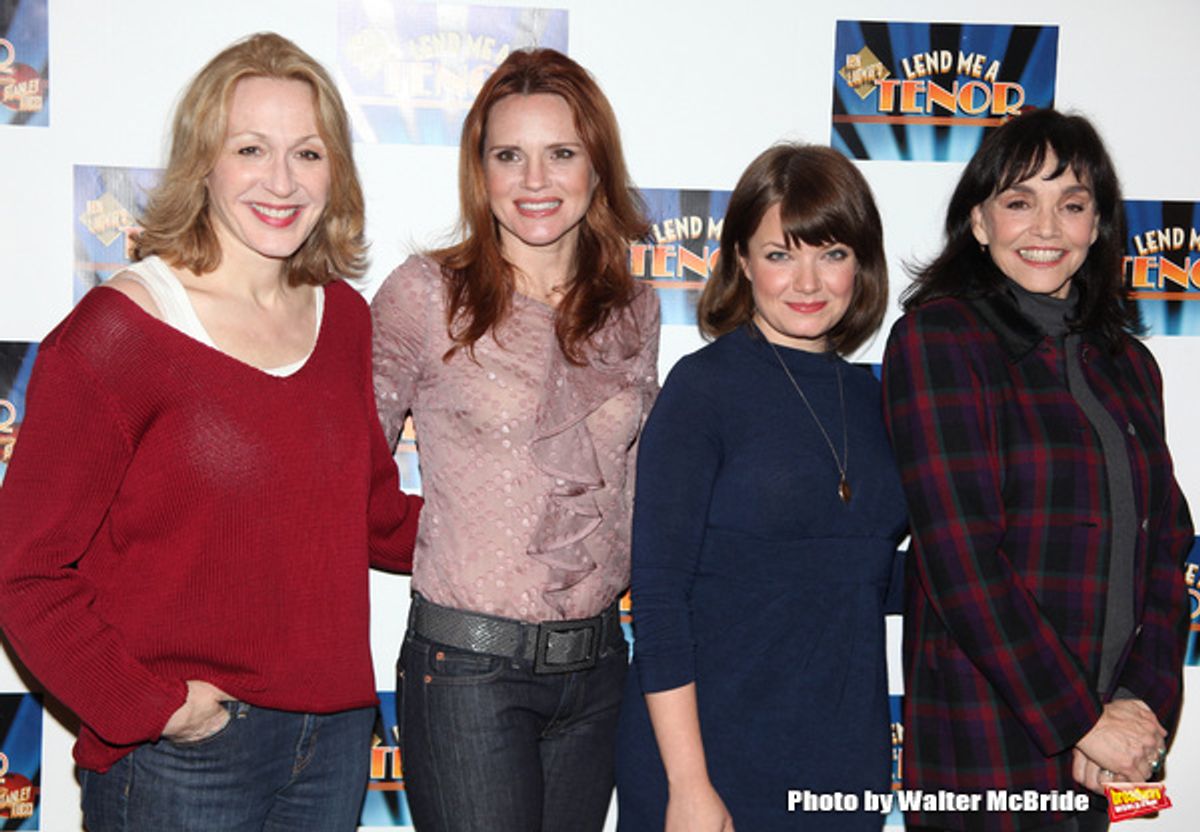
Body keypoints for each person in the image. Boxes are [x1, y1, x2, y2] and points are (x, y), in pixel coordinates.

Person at [0, 32, 421, 831]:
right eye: (251, 149)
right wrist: (151, 707)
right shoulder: (119, 333)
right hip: (183, 759)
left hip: (332, 745)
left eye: (307, 153)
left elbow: (370, 513)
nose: (281, 180)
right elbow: (24, 571)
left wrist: (529, 545)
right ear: (204, 164)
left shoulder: (343, 321)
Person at [370, 48, 659, 832]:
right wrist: (433, 539)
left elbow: (627, 483)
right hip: (467, 671)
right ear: (480, 170)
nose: (536, 181)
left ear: (596, 166)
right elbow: (344, 469)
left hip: (599, 668)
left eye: (561, 153)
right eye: (509, 155)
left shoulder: (634, 307)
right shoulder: (427, 295)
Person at [881, 109, 1193, 832]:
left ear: (1097, 225)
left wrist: (1142, 712)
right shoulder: (940, 339)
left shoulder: (1130, 364)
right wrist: (1080, 718)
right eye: (1021, 202)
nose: (1047, 227)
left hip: (1114, 746)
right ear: (981, 223)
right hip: (990, 732)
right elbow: (960, 558)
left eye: (1072, 204)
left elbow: (1166, 548)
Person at [615, 143, 907, 831]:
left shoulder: (879, 401)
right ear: (742, 261)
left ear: (861, 262)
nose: (808, 280)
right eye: (780, 254)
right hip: (710, 756)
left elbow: (857, 574)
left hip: (844, 762)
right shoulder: (703, 389)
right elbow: (658, 598)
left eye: (832, 253)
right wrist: (688, 784)